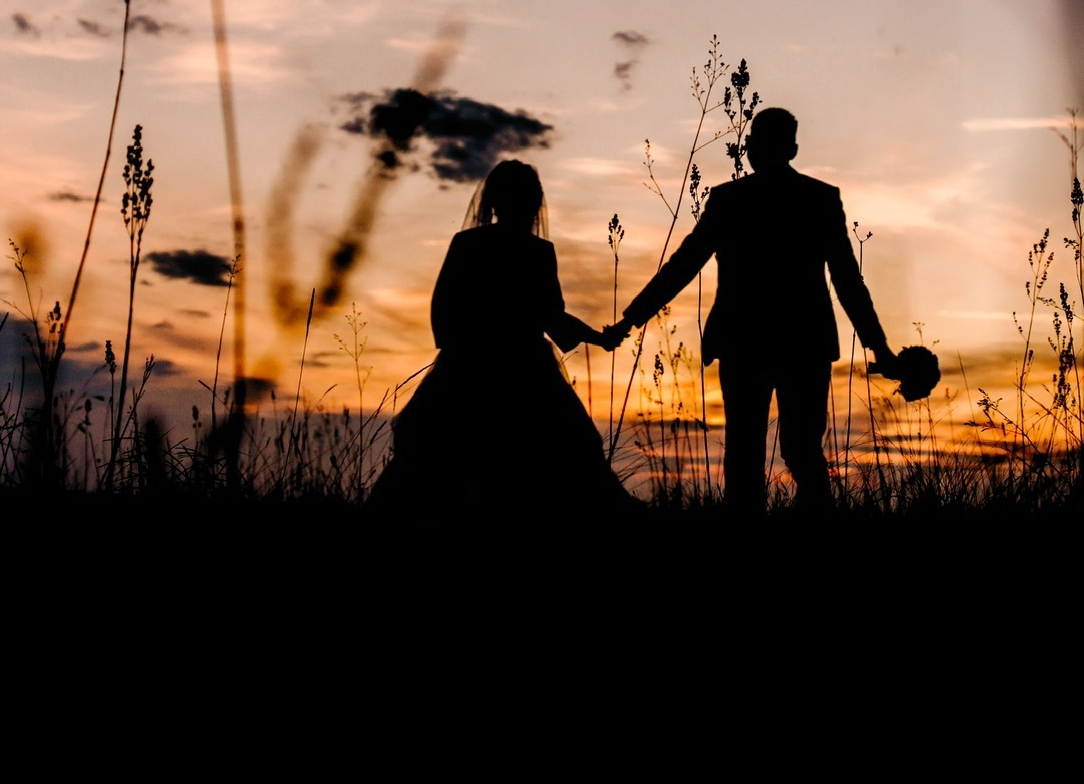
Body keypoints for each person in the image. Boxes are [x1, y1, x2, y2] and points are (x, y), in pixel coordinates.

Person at [604, 108, 892, 511]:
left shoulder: (728, 200)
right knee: (803, 450)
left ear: (751, 147)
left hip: (743, 344)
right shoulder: (821, 198)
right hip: (804, 343)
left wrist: (629, 320)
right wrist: (879, 346)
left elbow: (683, 266)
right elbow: (847, 280)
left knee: (743, 453)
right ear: (793, 149)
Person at [372, 159, 634, 511]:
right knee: (568, 445)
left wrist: (597, 339)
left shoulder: (482, 245)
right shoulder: (530, 251)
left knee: (441, 446)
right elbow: (547, 316)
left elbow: (449, 305)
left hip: (473, 365)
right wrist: (598, 339)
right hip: (515, 368)